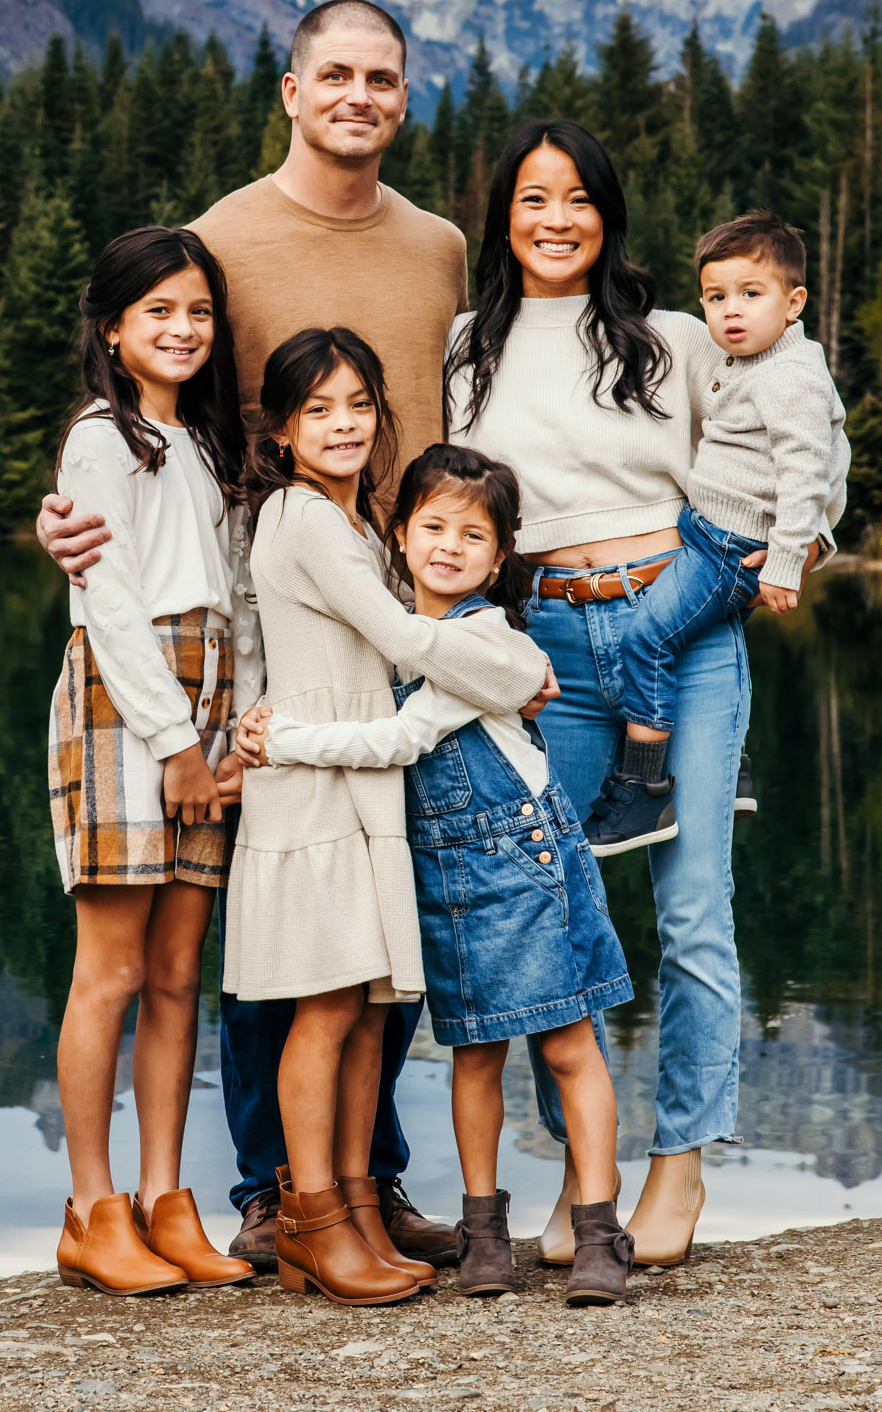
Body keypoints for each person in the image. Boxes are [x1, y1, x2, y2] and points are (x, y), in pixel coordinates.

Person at [37, 0, 487, 1273]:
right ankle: (266, 1184)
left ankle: (362, 1177)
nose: (359, 93)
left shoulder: (442, 245)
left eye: (382, 77)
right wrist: (65, 518)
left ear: (407, 96)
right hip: (269, 605)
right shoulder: (226, 237)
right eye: (333, 73)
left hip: (405, 597)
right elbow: (147, 398)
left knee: (378, 893)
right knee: (275, 906)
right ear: (289, 90)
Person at [443, 118, 829, 1267]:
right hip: (545, 643)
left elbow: (801, 437)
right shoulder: (467, 344)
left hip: (684, 627)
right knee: (556, 915)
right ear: (501, 214)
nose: (554, 219)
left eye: (576, 198)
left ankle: (683, 1162)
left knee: (695, 906)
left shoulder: (675, 338)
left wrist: (794, 549)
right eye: (531, 198)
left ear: (607, 212)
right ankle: (587, 1169)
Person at [234, 444, 636, 1306]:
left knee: (568, 1044)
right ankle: (483, 1229)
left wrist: (283, 741)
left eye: (474, 534)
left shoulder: (479, 641)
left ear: (500, 556)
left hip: (523, 860)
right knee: (475, 1051)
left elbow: (400, 741)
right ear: (401, 535)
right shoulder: (396, 638)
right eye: (433, 527)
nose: (450, 546)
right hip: (447, 874)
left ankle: (602, 1226)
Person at [227, 330, 549, 1304]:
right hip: (318, 777)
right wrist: (517, 670)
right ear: (281, 431)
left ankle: (361, 1209)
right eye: (318, 408)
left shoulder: (353, 521)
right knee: (327, 1008)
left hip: (359, 774)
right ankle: (313, 1220)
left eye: (358, 403)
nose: (342, 423)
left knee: (369, 1008)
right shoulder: (302, 516)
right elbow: (406, 634)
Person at [45, 226, 260, 1296]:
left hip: (210, 696)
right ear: (112, 328)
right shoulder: (102, 438)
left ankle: (169, 1197)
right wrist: (174, 741)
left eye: (198, 311)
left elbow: (232, 597)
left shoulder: (206, 444)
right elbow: (110, 601)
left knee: (180, 971)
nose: (181, 329)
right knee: (114, 970)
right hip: (129, 705)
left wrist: (232, 727)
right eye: (158, 311)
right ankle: (93, 1208)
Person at [584, 210, 849, 855]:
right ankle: (730, 767)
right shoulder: (756, 359)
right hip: (708, 531)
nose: (730, 312)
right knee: (707, 641)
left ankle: (643, 788)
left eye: (750, 295)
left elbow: (810, 468)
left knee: (644, 639)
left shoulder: (789, 377)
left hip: (733, 550)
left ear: (795, 303)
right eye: (715, 297)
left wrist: (788, 563)